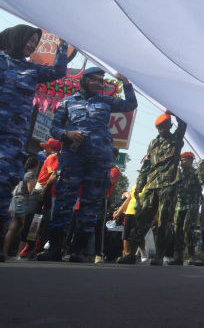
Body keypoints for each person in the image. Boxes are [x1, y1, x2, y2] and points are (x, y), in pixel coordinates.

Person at [39, 66, 136, 262]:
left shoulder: (106, 101)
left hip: (100, 161)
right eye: (93, 79)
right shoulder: (68, 102)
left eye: (100, 81)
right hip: (72, 158)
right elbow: (54, 127)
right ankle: (55, 249)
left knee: (91, 205)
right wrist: (66, 134)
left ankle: (77, 251)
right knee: (65, 202)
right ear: (84, 80)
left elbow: (130, 105)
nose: (97, 84)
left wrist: (126, 83)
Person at [0, 25, 68, 260]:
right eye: (29, 39)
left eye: (36, 42)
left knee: (3, 186)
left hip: (12, 141)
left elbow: (59, 71)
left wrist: (62, 45)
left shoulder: (32, 68)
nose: (32, 44)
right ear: (16, 37)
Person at [117, 112, 187, 265]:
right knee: (141, 217)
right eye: (159, 127)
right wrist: (140, 184)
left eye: (165, 126)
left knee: (163, 219)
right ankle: (130, 253)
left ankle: (159, 255)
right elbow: (146, 165)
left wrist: (175, 112)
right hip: (152, 184)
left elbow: (183, 124)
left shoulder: (176, 139)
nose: (162, 129)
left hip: (169, 184)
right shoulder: (152, 143)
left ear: (170, 125)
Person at [171, 153, 204, 265]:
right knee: (177, 229)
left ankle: (192, 255)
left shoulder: (196, 172)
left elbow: (203, 180)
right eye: (181, 160)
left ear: (190, 161)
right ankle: (178, 257)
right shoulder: (178, 173)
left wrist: (200, 169)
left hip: (192, 205)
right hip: (179, 205)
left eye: (184, 160)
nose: (182, 162)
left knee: (187, 228)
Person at [3, 157, 38, 259]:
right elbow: (30, 190)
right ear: (35, 166)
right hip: (24, 203)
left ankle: (4, 252)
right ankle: (20, 254)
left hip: (15, 202)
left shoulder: (20, 173)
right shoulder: (29, 175)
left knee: (12, 229)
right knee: (27, 229)